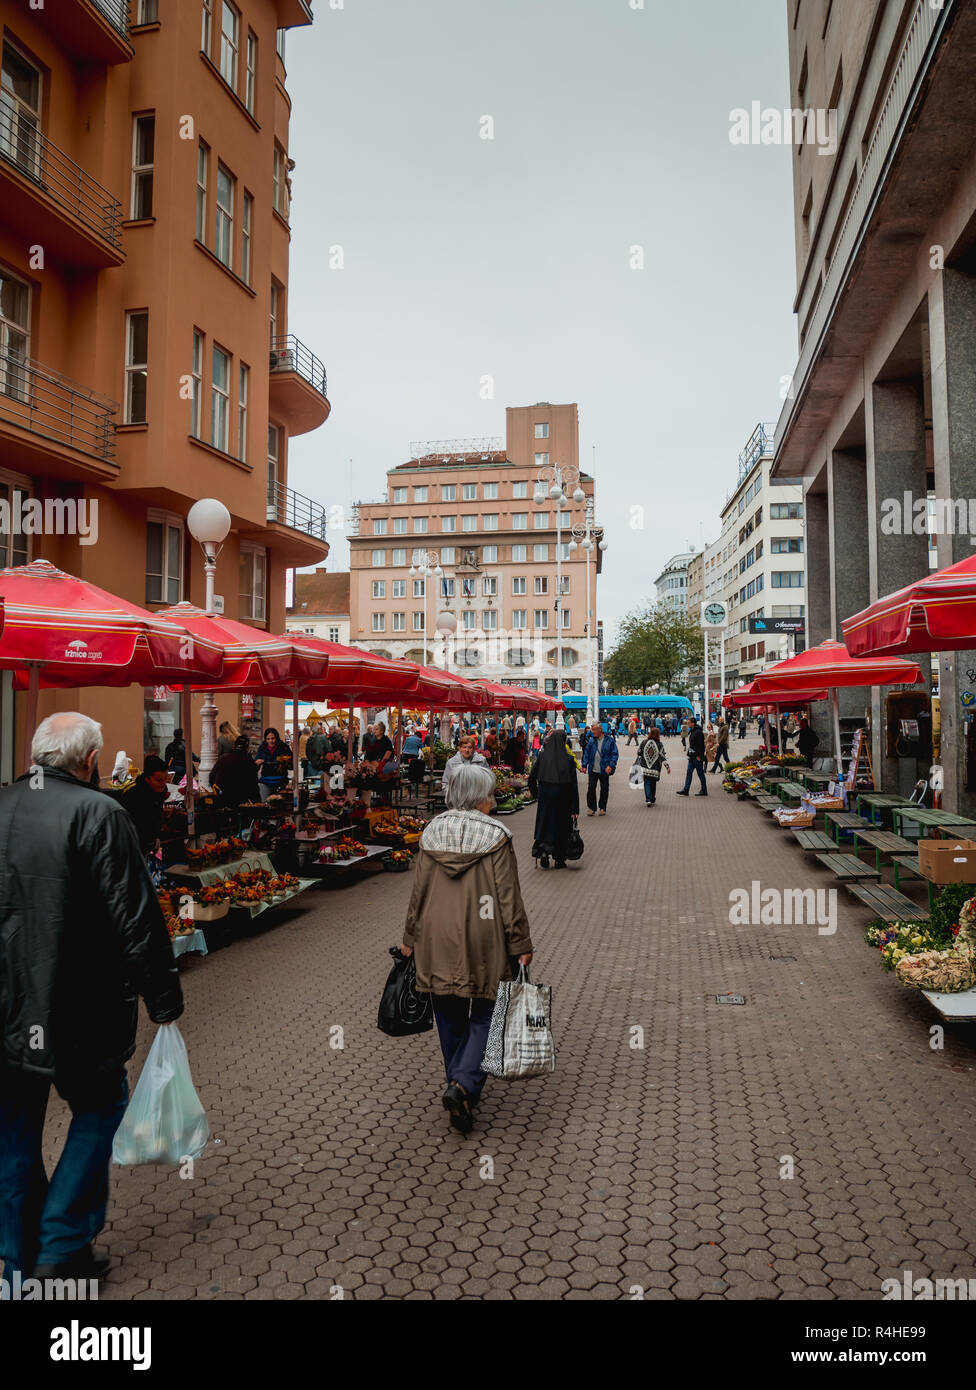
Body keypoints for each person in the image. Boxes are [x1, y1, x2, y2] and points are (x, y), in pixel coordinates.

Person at [0, 712, 183, 1283]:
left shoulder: (2, 804)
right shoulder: (100, 812)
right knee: (100, 1109)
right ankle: (61, 1244)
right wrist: (163, 995)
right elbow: (134, 914)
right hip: (79, 1004)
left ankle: (15, 1255)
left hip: (9, 1006)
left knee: (14, 1128)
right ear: (88, 761)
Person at [400, 763, 533, 1135]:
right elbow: (507, 897)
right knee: (489, 1011)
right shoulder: (497, 836)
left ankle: (458, 1082)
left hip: (434, 934)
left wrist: (410, 937)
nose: (493, 800)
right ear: (478, 797)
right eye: (490, 794)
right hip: (484, 934)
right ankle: (462, 1085)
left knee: (448, 1011)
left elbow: (418, 893)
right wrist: (520, 942)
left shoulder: (431, 833)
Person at [528, 728, 580, 868]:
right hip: (564, 799)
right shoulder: (568, 759)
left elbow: (531, 778)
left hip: (545, 798)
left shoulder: (543, 756)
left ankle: (544, 851)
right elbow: (573, 785)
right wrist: (575, 808)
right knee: (562, 828)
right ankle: (559, 859)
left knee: (545, 825)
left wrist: (536, 794)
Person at [120, 754, 170, 853]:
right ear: (147, 779)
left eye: (166, 778)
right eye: (159, 780)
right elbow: (136, 823)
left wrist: (157, 836)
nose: (163, 783)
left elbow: (156, 813)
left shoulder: (161, 790)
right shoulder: (134, 794)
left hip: (150, 840)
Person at [581, 720, 619, 816]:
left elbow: (614, 754)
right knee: (591, 788)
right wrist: (584, 765)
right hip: (593, 769)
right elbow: (586, 753)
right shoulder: (591, 740)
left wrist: (611, 765)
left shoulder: (609, 740)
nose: (592, 732)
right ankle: (591, 808)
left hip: (604, 769)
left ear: (600, 729)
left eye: (594, 730)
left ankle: (602, 807)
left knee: (604, 789)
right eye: (592, 729)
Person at [211, 735, 261, 807]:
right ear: (247, 748)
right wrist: (256, 802)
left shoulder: (223, 758)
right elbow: (253, 784)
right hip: (241, 800)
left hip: (223, 798)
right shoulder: (248, 761)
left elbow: (212, 777)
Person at [442, 734, 488, 807]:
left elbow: (487, 781)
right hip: (457, 802)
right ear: (460, 748)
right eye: (464, 747)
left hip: (477, 802)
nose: (467, 750)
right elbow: (446, 783)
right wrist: (452, 798)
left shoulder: (482, 761)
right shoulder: (451, 763)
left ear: (474, 749)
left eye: (470, 747)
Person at [254, 727, 292, 801]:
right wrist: (256, 763)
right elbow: (255, 766)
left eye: (273, 738)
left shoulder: (284, 747)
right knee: (265, 805)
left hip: (281, 783)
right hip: (265, 783)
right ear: (265, 739)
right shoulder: (262, 747)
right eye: (268, 739)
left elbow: (292, 766)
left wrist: (286, 762)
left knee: (280, 807)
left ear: (277, 738)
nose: (271, 741)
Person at [676, 715, 708, 796]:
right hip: (692, 757)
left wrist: (699, 756)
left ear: (693, 723)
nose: (687, 724)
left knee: (700, 774)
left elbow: (701, 746)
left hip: (697, 757)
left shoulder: (698, 732)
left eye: (689, 723)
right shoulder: (692, 731)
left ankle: (704, 790)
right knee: (689, 773)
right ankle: (686, 790)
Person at [637, 726, 668, 805]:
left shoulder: (644, 742)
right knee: (653, 784)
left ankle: (648, 799)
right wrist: (667, 767)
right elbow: (663, 757)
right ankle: (652, 798)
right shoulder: (660, 744)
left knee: (647, 783)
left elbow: (639, 752)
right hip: (655, 768)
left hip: (645, 767)